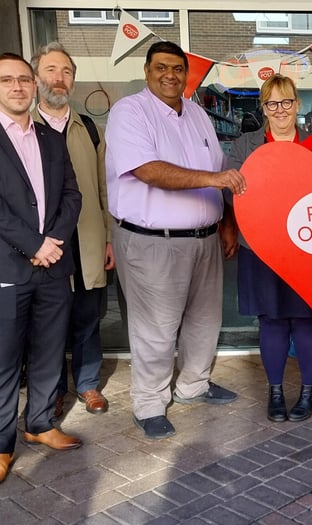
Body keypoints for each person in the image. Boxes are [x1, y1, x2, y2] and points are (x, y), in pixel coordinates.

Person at [105, 41, 246, 440]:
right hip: (153, 241)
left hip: (204, 239)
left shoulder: (200, 114)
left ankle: (193, 386)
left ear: (187, 74)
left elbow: (219, 169)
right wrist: (213, 181)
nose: (170, 75)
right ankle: (149, 402)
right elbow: (148, 170)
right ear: (148, 72)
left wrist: (226, 222)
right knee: (156, 328)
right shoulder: (129, 112)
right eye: (161, 67)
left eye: (178, 68)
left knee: (205, 320)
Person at [0, 52, 83, 483]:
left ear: (34, 86)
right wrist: (34, 245)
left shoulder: (52, 139)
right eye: (6, 80)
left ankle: (40, 425)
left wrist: (53, 244)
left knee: (51, 350)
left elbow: (73, 194)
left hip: (53, 268)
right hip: (8, 269)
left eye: (23, 80)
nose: (17, 87)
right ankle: (0, 445)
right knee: (4, 359)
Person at [228, 74, 312, 422]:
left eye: (286, 102)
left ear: (297, 104)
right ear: (264, 107)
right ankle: (277, 392)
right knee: (272, 321)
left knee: (305, 320)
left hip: (306, 250)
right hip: (260, 248)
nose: (280, 110)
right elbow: (232, 192)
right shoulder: (244, 146)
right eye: (272, 103)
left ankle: (308, 393)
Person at [31, 42, 114, 418]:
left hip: (89, 241)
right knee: (47, 324)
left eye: (65, 71)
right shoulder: (22, 128)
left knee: (87, 316)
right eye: (50, 70)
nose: (58, 78)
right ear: (36, 78)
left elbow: (103, 189)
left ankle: (87, 384)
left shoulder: (91, 129)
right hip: (42, 246)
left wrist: (109, 239)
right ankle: (53, 390)